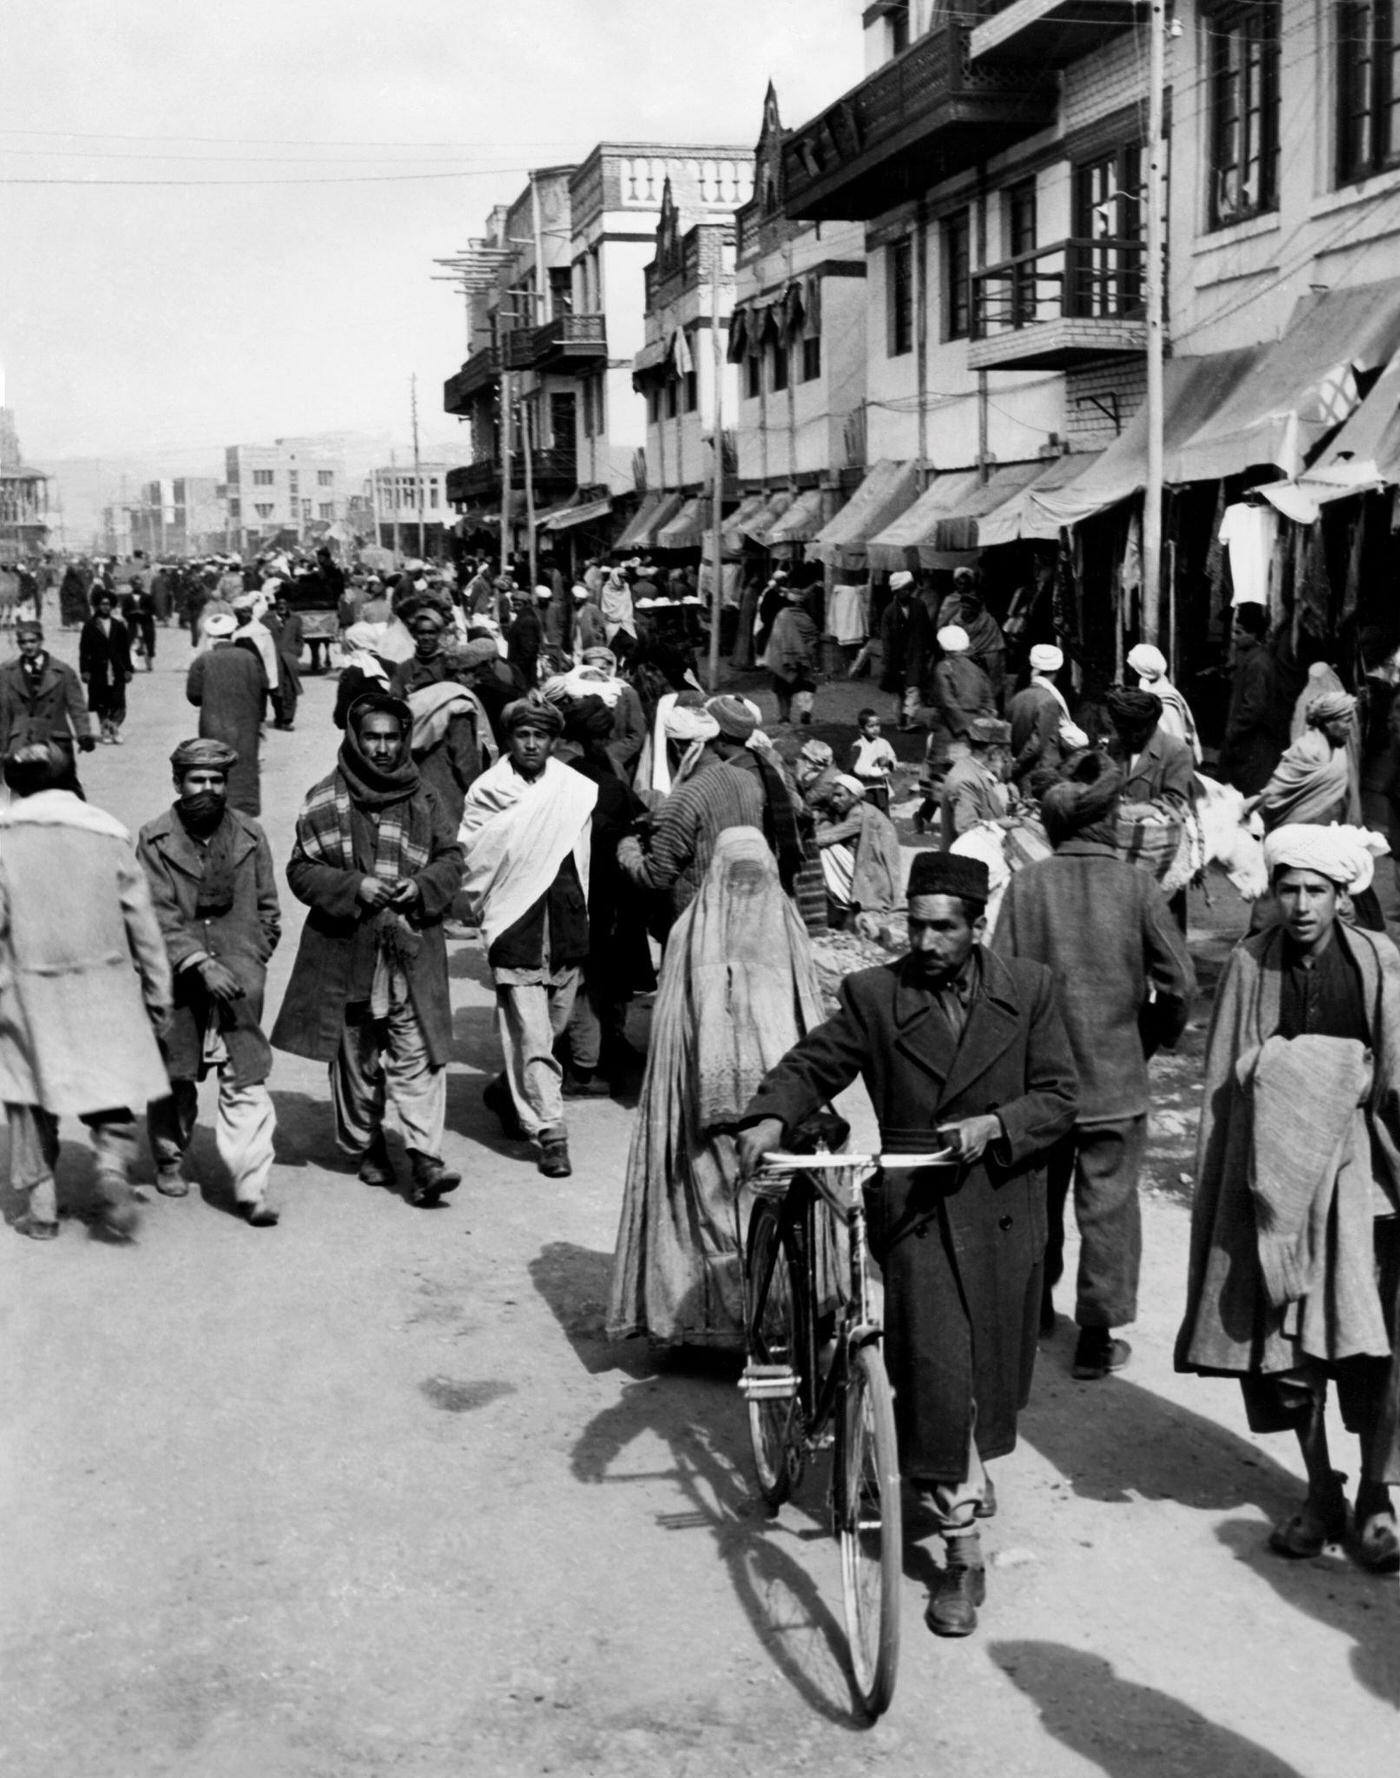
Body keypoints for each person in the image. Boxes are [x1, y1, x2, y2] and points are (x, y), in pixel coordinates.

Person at [739, 850, 1078, 1636]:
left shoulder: (1029, 991)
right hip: (917, 1210)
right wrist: (769, 1115)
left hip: (1002, 1203)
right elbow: (816, 1061)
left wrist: (995, 1126)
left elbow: (1062, 1097)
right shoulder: (876, 995)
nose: (925, 942)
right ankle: (962, 1554)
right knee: (935, 1368)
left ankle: (964, 1456)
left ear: (976, 925)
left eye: (943, 928)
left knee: (993, 1367)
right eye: (915, 925)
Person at [1177, 824, 1400, 1574]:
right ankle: (1319, 1489)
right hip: (1275, 1180)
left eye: (1317, 891)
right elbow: (1226, 1081)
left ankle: (1375, 1495)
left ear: (1343, 895)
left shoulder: (1378, 962)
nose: (1301, 905)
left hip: (1364, 1179)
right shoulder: (1250, 962)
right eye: (1289, 890)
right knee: (1283, 1343)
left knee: (1370, 1340)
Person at [992, 752, 1196, 1375]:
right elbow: (1180, 983)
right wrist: (1152, 1039)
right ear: (1107, 821)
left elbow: (999, 984)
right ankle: (1095, 1337)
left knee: (1037, 1199)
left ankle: (1032, 1314)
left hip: (1040, 1084)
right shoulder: (1137, 887)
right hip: (1115, 1079)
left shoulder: (1028, 884)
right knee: (1108, 1208)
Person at [608, 826, 829, 1347]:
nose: (745, 890)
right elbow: (671, 1029)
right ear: (714, 879)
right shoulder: (689, 933)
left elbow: (810, 1015)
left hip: (779, 1109)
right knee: (709, 1213)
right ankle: (708, 1326)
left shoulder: (788, 925)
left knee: (775, 1214)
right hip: (700, 1106)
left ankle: (779, 1319)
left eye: (756, 878)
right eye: (735, 877)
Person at [271, 694, 464, 1208]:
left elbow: (451, 858)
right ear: (356, 739)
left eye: (391, 737)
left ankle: (425, 1158)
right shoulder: (325, 797)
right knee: (356, 1056)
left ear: (404, 740)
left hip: (411, 946)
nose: (381, 748)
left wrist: (420, 887)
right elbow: (300, 870)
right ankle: (369, 1142)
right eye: (372, 737)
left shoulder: (425, 797)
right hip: (346, 947)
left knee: (418, 1048)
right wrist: (355, 886)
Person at [0, 743, 171, 1240]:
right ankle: (113, 1167)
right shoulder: (107, 833)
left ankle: (43, 1206)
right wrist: (159, 995)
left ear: (15, 786)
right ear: (70, 779)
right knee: (106, 1082)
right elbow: (144, 925)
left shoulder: (4, 840)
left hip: (27, 989)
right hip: (104, 982)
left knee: (27, 1096)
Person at [138, 740, 281, 1227]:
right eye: (197, 780)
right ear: (177, 783)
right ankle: (170, 1156)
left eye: (217, 781)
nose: (208, 790)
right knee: (174, 1073)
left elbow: (268, 909)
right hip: (176, 977)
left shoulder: (250, 836)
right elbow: (153, 913)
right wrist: (197, 961)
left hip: (239, 976)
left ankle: (251, 1183)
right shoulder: (154, 839)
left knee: (245, 1073)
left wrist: (252, 955)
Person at [459, 695, 597, 1179]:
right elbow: (475, 857)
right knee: (535, 1037)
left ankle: (505, 1089)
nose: (532, 743)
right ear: (509, 739)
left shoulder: (576, 789)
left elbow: (581, 860)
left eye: (541, 735)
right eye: (523, 735)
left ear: (555, 741)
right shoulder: (488, 791)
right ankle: (551, 1134)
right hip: (514, 926)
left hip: (563, 926)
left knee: (552, 1028)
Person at [557, 698, 656, 1094]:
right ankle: (586, 1064)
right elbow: (637, 823)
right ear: (598, 737)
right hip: (602, 892)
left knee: (592, 976)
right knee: (595, 978)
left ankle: (603, 1048)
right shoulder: (605, 781)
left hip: (575, 889)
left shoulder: (555, 772)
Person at [390, 599, 482, 829]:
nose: (426, 638)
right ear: (414, 635)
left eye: (432, 633)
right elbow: (394, 708)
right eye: (421, 633)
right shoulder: (404, 670)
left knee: (449, 814)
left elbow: (460, 703)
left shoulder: (450, 666)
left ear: (439, 634)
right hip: (414, 751)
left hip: (446, 748)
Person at [0, 619, 96, 793]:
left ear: (41, 641)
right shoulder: (6, 673)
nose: (28, 647)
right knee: (22, 792)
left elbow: (77, 706)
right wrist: (2, 746)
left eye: (32, 641)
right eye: (23, 642)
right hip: (21, 740)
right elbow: (3, 712)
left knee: (65, 789)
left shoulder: (62, 671)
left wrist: (83, 733)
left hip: (55, 738)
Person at [186, 611, 267, 816]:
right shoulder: (249, 657)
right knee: (246, 761)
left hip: (214, 722)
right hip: (246, 722)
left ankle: (217, 806)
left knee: (216, 763)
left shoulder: (203, 660)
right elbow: (263, 686)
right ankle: (246, 806)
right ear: (233, 633)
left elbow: (193, 695)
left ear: (211, 637)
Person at [918, 623, 994, 828]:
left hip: (950, 731)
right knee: (961, 777)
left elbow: (947, 701)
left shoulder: (943, 667)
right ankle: (946, 820)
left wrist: (963, 726)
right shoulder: (978, 670)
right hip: (972, 731)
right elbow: (989, 702)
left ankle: (930, 817)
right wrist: (980, 725)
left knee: (943, 777)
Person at [1254, 689, 1357, 830]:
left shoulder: (1338, 752)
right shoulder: (1305, 749)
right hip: (1293, 830)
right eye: (1346, 722)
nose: (1350, 729)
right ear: (1329, 722)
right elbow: (1274, 793)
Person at [812, 772, 902, 924]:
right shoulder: (848, 809)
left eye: (840, 796)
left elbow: (825, 838)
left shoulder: (860, 815)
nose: (835, 800)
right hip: (860, 869)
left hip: (873, 876)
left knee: (825, 850)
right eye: (834, 795)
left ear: (854, 797)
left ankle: (846, 902)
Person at [1220, 601, 1287, 795]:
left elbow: (1253, 708)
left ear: (1254, 635)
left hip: (1251, 746)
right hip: (1247, 744)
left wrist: (1233, 732)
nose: (1234, 638)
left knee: (1241, 794)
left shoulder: (1258, 663)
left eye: (1239, 633)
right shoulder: (1252, 659)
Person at [1104, 686, 1195, 816]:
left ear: (1146, 727)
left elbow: (1175, 801)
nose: (1120, 735)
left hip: (1153, 831)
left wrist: (1129, 812)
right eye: (1118, 729)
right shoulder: (1114, 746)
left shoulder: (1177, 751)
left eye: (1125, 730)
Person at [1008, 643, 1077, 791]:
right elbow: (1037, 744)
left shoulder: (1017, 698)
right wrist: (1017, 764)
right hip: (1042, 772)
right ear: (1057, 670)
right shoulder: (1049, 701)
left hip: (1024, 772)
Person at [939, 716, 1012, 848]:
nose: (1007, 759)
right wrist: (1003, 823)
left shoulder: (973, 769)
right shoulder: (965, 780)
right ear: (994, 752)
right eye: (1005, 753)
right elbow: (967, 830)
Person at [1126, 641, 1201, 763]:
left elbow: (1169, 744)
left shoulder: (1163, 702)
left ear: (1140, 672)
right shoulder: (1154, 690)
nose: (1129, 673)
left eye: (1132, 669)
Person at [78, 589, 134, 744]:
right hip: (97, 669)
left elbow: (124, 649)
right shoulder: (90, 626)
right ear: (96, 605)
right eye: (102, 604)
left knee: (118, 702)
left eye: (108, 604)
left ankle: (114, 727)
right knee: (101, 701)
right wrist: (85, 670)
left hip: (116, 669)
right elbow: (84, 650)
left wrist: (128, 669)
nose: (106, 607)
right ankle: (105, 730)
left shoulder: (118, 625)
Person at [879, 570, 930, 730]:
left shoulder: (919, 606)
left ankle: (909, 717)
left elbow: (928, 629)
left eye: (908, 589)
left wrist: (931, 648)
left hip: (915, 653)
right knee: (900, 689)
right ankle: (901, 718)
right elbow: (886, 639)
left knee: (913, 687)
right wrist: (887, 661)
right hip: (896, 656)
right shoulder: (889, 612)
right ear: (896, 592)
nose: (906, 592)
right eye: (903, 590)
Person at [765, 582, 819, 726]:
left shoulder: (782, 616)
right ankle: (805, 711)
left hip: (785, 660)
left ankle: (785, 717)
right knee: (806, 686)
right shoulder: (807, 619)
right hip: (803, 661)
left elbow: (776, 639)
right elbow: (813, 639)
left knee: (783, 690)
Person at [263, 592, 305, 730]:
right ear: (275, 605)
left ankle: (287, 719)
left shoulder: (295, 619)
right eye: (279, 604)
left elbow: (299, 638)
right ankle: (279, 716)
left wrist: (295, 652)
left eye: (285, 604)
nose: (282, 607)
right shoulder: (265, 620)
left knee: (290, 690)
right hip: (273, 661)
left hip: (290, 661)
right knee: (276, 691)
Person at [848, 707, 898, 813]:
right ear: (861, 729)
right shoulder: (858, 746)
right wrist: (876, 771)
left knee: (884, 815)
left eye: (877, 725)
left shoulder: (884, 743)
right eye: (871, 726)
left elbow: (893, 760)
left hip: (881, 787)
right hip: (865, 789)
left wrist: (888, 763)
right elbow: (856, 768)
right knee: (868, 815)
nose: (875, 729)